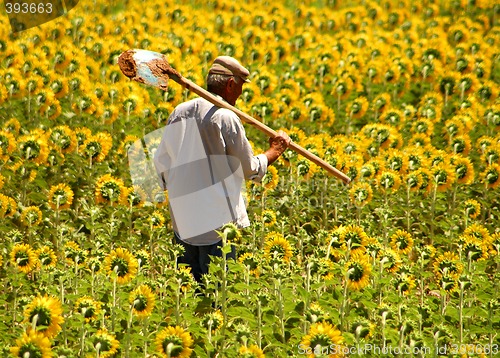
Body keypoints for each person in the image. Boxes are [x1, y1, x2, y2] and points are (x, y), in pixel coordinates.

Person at [153, 56, 291, 283]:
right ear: (230, 85)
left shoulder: (180, 111)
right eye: (239, 88)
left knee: (186, 293)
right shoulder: (226, 117)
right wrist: (273, 152)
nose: (239, 95)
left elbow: (162, 166)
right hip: (217, 229)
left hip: (183, 224)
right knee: (218, 293)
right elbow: (248, 169)